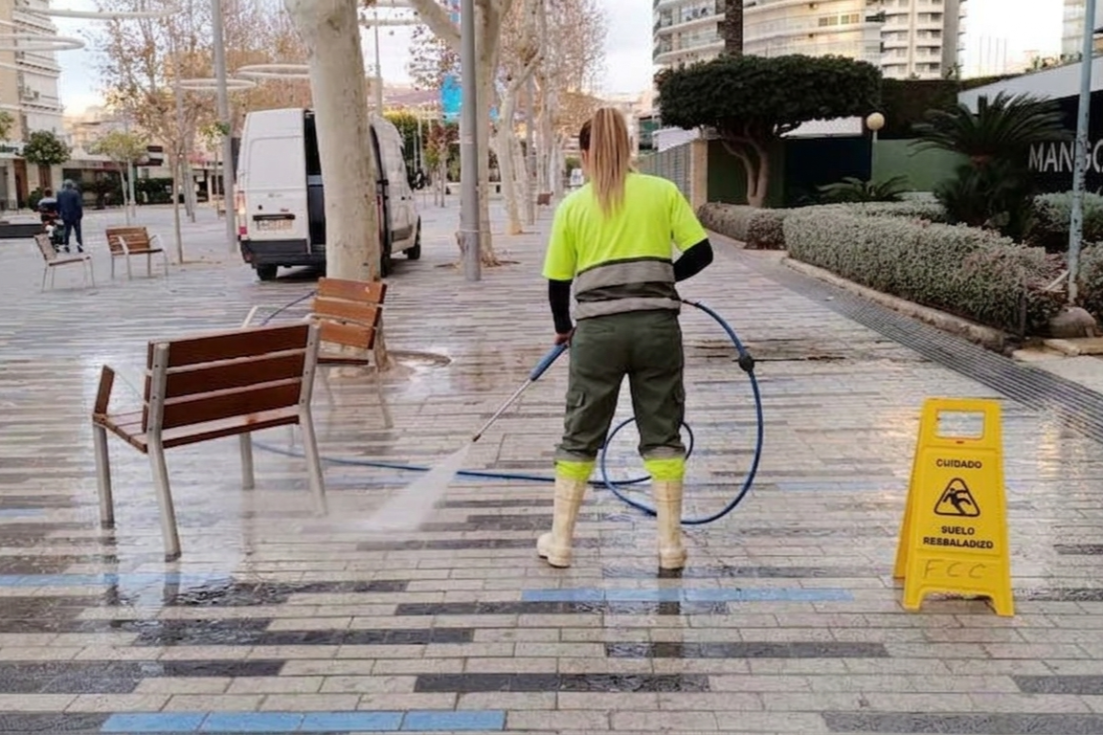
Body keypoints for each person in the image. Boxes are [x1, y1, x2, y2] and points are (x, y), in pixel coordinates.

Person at [538, 108, 715, 571]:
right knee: (662, 431)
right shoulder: (662, 192)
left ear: (585, 153)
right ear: (630, 148)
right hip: (658, 330)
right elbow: (702, 252)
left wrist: (563, 329)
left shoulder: (574, 206)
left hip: (597, 335)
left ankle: (560, 542)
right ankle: (670, 547)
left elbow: (558, 283)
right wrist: (664, 282)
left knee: (580, 434)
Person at [57, 179, 84, 253]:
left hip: (65, 215)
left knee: (66, 231)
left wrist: (59, 213)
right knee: (78, 231)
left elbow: (58, 205)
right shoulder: (75, 193)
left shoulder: (60, 193)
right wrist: (80, 214)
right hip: (75, 215)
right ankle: (79, 245)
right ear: (71, 185)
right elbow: (78, 205)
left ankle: (66, 245)